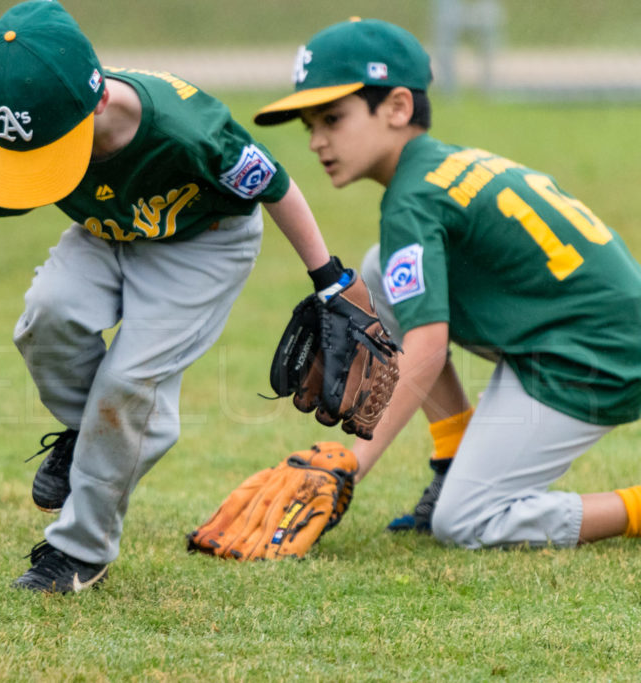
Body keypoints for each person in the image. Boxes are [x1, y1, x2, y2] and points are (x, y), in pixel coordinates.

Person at [0, 1, 360, 592]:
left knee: (129, 385)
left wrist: (328, 280)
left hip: (204, 245)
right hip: (106, 234)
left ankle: (79, 552)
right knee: (46, 316)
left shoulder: (187, 129)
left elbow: (277, 187)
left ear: (97, 102)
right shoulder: (46, 114)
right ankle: (90, 434)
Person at [254, 18, 641, 549]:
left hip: (593, 360)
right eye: (309, 125)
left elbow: (428, 347)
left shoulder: (411, 201)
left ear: (397, 108)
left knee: (466, 521)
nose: (318, 140)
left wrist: (353, 464)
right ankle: (453, 453)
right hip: (590, 332)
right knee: (380, 269)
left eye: (333, 118)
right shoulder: (442, 165)